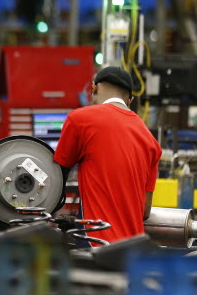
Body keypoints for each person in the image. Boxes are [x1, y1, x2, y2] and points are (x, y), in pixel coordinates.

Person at [53, 66, 161, 243]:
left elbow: (55, 180)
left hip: (96, 243)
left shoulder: (80, 119)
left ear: (94, 88)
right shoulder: (150, 140)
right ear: (130, 100)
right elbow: (144, 211)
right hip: (133, 248)